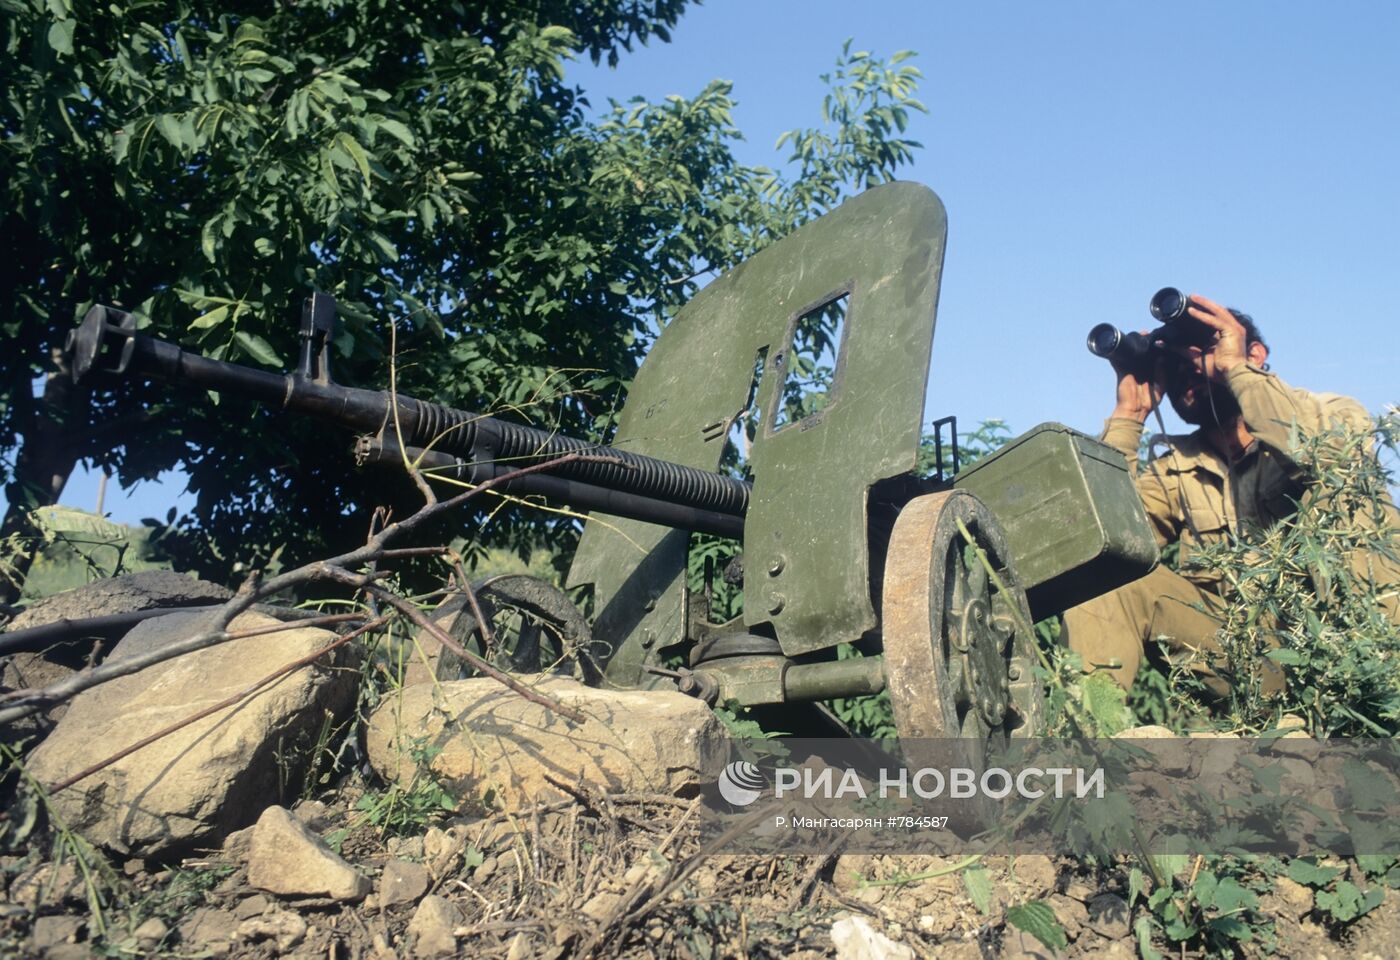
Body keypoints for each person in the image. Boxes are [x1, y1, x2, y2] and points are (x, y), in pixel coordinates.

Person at [1062, 293, 1400, 697]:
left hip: (1357, 651)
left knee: (1341, 488)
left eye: (1201, 350)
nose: (1188, 369)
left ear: (1254, 353)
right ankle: (1084, 738)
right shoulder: (1175, 467)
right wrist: (1128, 419)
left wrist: (1235, 370)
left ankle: (1378, 689)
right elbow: (1103, 541)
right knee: (1106, 574)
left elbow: (1321, 454)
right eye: (1173, 364)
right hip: (1254, 664)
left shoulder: (1330, 411)